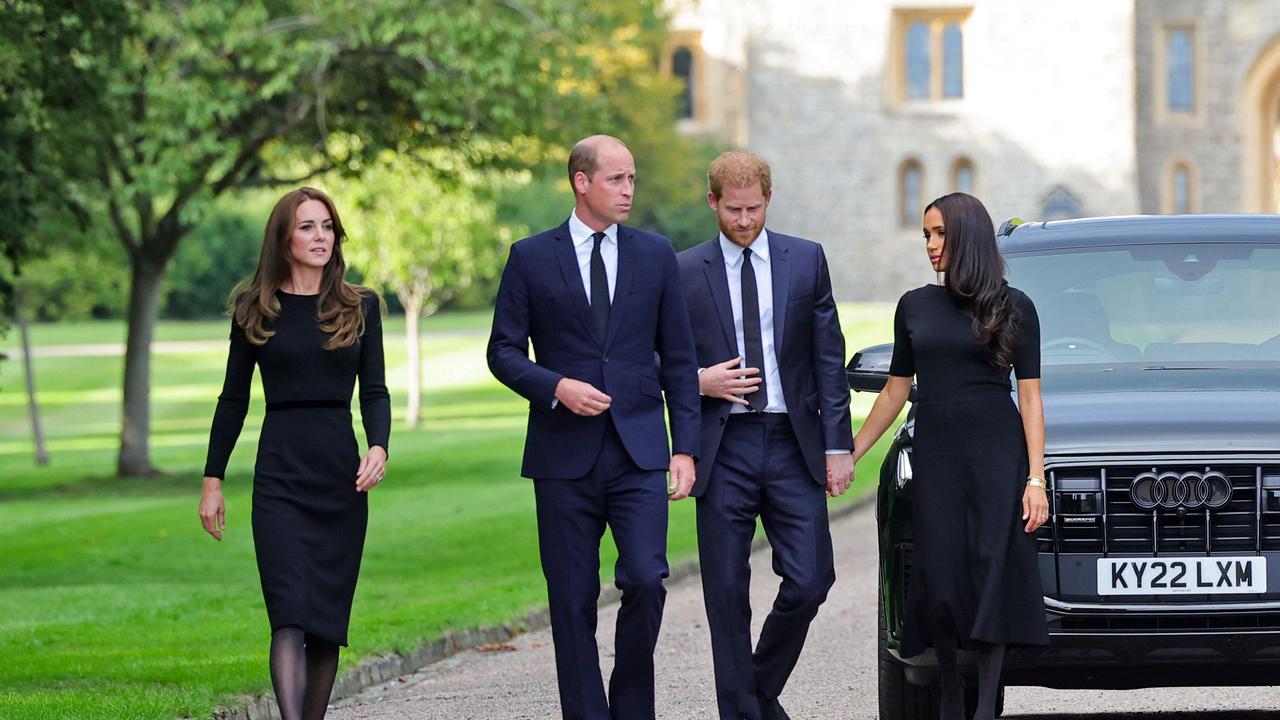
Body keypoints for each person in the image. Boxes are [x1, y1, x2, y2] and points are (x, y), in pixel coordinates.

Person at [486, 135, 700, 720]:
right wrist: (555, 386)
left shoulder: (655, 254)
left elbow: (679, 360)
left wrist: (686, 449)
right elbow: (502, 352)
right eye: (616, 180)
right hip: (562, 459)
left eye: (632, 179)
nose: (629, 190)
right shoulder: (530, 257)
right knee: (572, 602)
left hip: (639, 455)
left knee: (648, 581)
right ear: (581, 182)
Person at [853, 192, 1049, 720]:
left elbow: (1029, 396)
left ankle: (984, 704)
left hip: (996, 452)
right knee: (938, 574)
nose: (931, 246)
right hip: (936, 449)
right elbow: (896, 390)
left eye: (939, 234)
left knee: (991, 567)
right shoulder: (913, 305)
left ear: (968, 238)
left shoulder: (1015, 307)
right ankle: (945, 690)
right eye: (926, 235)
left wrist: (1036, 480)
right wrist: (851, 453)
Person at [198, 187, 390, 720]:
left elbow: (374, 390)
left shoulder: (361, 306)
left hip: (339, 479)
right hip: (279, 475)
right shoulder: (254, 309)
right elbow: (233, 399)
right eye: (307, 227)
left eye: (327, 226)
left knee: (325, 624)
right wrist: (212, 481)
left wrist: (379, 445)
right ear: (284, 238)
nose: (320, 237)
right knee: (288, 615)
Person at [676, 151, 853, 720]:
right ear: (712, 203)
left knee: (811, 578)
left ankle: (751, 689)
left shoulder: (805, 260)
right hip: (721, 446)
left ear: (768, 200)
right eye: (733, 210)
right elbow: (650, 359)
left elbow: (828, 357)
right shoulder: (681, 271)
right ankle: (744, 713)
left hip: (791, 441)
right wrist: (696, 381)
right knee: (725, 593)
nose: (745, 220)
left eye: (754, 208)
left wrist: (837, 444)